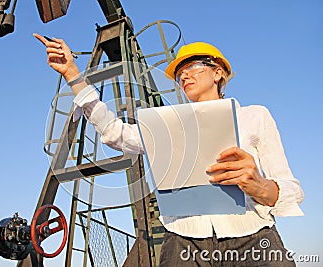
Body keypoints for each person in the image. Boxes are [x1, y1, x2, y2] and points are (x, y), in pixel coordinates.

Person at [33, 33, 304, 266]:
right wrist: (73, 74)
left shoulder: (254, 116)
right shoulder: (166, 127)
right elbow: (115, 132)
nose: (184, 75)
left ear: (218, 72)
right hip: (184, 245)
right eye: (179, 73)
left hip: (254, 239)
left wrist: (261, 187)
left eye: (194, 66)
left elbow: (291, 188)